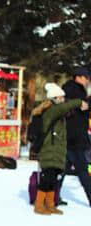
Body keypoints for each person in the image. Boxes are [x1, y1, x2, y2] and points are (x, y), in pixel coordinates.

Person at [33, 83, 86, 215]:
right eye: (61, 98)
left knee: (54, 179)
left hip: (55, 151)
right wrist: (79, 102)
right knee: (47, 179)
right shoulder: (51, 110)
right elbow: (65, 107)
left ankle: (50, 205)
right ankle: (39, 204)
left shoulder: (57, 112)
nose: (63, 100)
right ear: (54, 98)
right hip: (49, 150)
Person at [60, 67, 91, 206]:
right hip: (76, 137)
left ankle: (52, 197)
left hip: (67, 135)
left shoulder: (66, 89)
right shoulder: (76, 90)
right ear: (78, 77)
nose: (87, 81)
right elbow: (82, 107)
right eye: (86, 78)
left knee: (62, 169)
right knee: (82, 171)